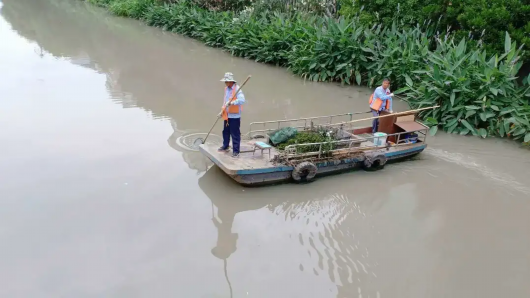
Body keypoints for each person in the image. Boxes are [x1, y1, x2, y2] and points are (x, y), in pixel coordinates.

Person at [217, 72, 246, 158]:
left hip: (234, 116)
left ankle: (236, 151)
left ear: (230, 81)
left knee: (235, 134)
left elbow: (242, 100)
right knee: (225, 132)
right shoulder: (226, 89)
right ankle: (225, 146)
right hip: (227, 115)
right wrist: (221, 111)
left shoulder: (237, 89)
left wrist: (233, 102)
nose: (225, 83)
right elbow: (225, 102)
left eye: (226, 81)